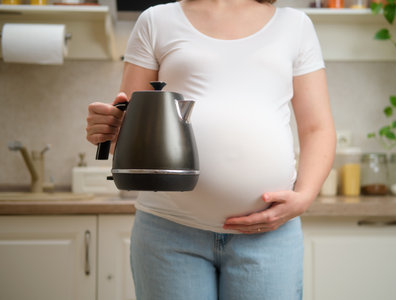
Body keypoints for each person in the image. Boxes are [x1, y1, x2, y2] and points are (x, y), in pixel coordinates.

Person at [86, 0, 336, 299]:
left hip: (270, 234)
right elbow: (130, 127)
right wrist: (107, 130)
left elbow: (317, 128)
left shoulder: (295, 25)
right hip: (169, 231)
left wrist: (304, 198)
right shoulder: (156, 20)